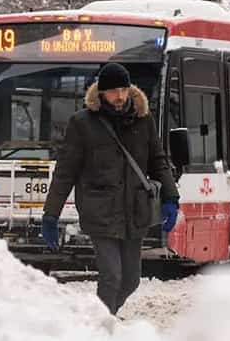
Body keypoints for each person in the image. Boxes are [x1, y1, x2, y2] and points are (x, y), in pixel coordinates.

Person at [41, 62, 180, 317]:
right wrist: (51, 214)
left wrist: (171, 196)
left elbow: (158, 160)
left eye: (123, 89)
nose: (119, 96)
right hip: (100, 211)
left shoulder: (143, 120)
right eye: (113, 91)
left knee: (131, 280)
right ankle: (102, 330)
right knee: (111, 276)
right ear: (101, 93)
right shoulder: (82, 123)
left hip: (134, 211)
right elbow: (65, 172)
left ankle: (104, 319)